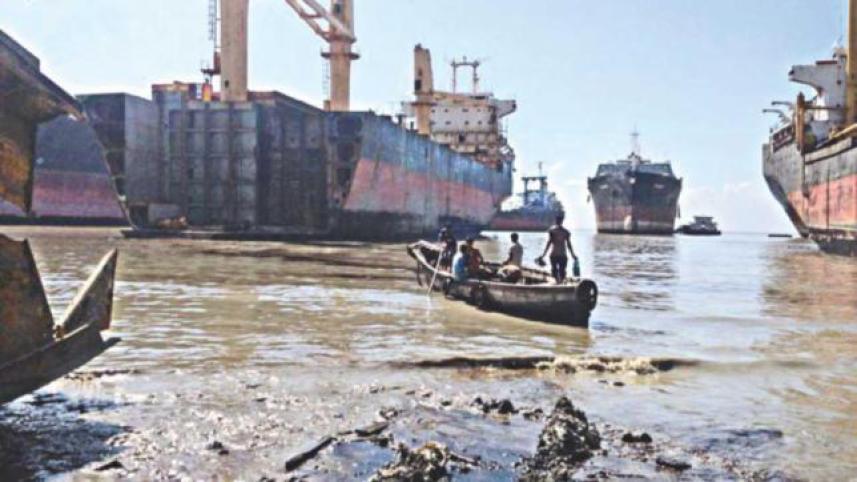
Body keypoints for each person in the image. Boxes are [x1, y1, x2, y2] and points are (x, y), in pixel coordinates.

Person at [538, 214, 578, 283]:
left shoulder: (554, 231)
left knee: (556, 271)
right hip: (560, 255)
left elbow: (549, 243)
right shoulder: (565, 232)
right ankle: (560, 283)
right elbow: (568, 245)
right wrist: (572, 255)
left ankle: (558, 283)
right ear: (561, 221)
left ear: (557, 221)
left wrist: (543, 255)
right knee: (560, 271)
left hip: (556, 255)